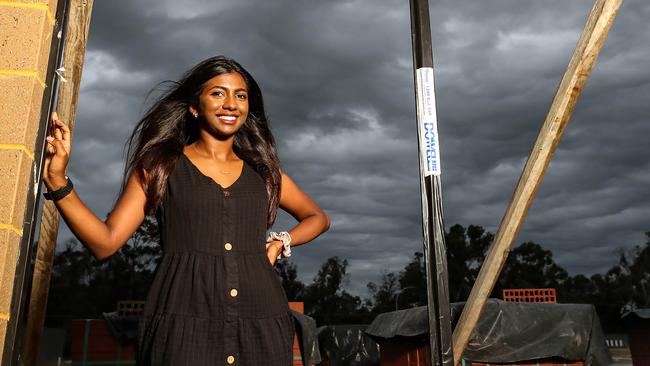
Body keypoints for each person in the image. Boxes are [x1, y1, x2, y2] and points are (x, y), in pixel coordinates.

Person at [43, 56, 331, 365]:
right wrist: (58, 181)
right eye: (218, 93)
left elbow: (318, 218)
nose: (231, 103)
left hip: (260, 320)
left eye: (241, 95)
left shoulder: (265, 174)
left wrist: (279, 243)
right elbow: (105, 242)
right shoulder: (159, 168)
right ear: (195, 106)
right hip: (183, 321)